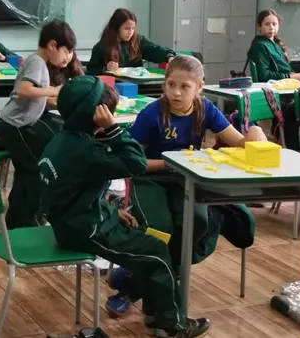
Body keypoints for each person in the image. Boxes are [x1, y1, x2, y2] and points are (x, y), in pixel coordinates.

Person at [39, 76, 211, 338]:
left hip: (74, 219)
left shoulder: (62, 138)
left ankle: (155, 314)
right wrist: (113, 130)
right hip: (84, 229)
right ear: (96, 115)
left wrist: (110, 211)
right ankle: (171, 326)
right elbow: (137, 163)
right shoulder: (88, 152)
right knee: (157, 252)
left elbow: (75, 192)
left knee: (149, 240)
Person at [106, 55, 262, 317]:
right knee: (160, 229)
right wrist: (170, 164)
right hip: (150, 179)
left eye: (185, 87)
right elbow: (130, 160)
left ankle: (134, 284)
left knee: (197, 224)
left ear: (199, 87)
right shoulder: (152, 113)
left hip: (186, 180)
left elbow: (239, 142)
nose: (176, 93)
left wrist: (255, 133)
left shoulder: (205, 109)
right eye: (171, 85)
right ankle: (144, 296)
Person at [0, 20, 75, 228]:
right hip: (15, 125)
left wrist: (59, 99)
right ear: (52, 45)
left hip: (13, 123)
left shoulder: (38, 62)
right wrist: (54, 91)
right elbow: (24, 90)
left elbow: (37, 95)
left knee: (26, 170)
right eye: (66, 51)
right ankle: (29, 220)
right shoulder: (36, 62)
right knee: (36, 170)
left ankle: (17, 219)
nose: (68, 57)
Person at [86, 8, 174, 75]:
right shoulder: (102, 46)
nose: (130, 32)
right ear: (116, 28)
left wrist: (168, 56)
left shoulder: (138, 40)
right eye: (126, 28)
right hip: (114, 87)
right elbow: (91, 71)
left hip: (138, 86)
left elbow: (154, 50)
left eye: (133, 28)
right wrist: (105, 68)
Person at [247, 9, 300, 83]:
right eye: (267, 24)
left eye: (274, 24)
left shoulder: (275, 44)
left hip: (284, 82)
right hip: (273, 87)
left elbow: (283, 69)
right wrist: (289, 76)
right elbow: (264, 75)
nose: (271, 27)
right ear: (259, 26)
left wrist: (295, 75)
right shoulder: (259, 46)